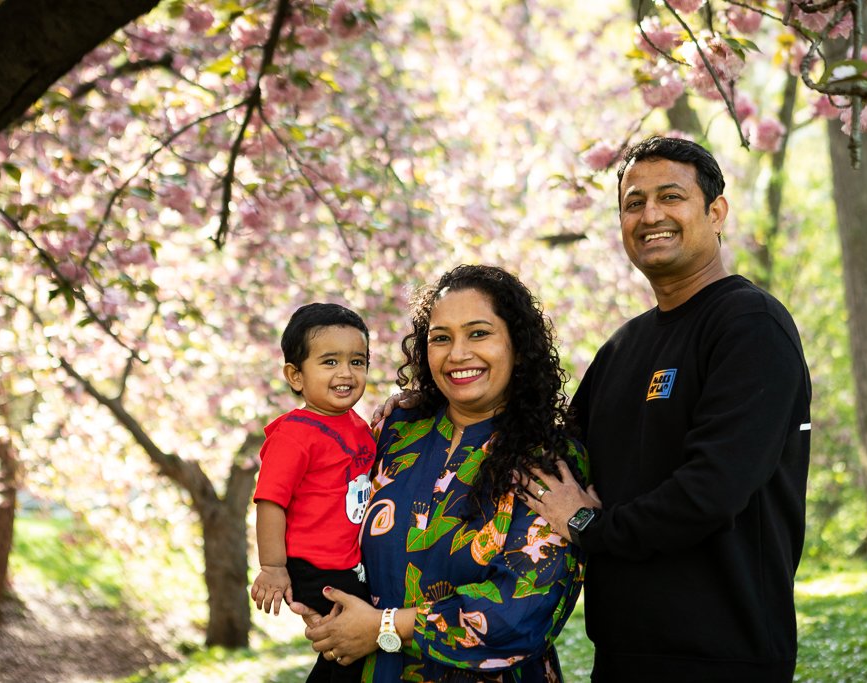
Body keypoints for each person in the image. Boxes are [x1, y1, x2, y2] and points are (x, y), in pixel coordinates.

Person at [517, 136, 812, 682]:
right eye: (634, 203)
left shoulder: (749, 326)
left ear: (715, 212)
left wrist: (589, 525)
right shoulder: (623, 348)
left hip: (722, 655)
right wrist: (428, 408)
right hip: (624, 652)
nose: (650, 215)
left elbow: (711, 490)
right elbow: (552, 455)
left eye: (671, 197)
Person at [293, 264, 589, 682]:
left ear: (518, 346)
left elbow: (521, 615)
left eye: (479, 333)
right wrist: (321, 605)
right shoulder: (394, 432)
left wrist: (383, 627)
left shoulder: (548, 459)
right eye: (441, 338)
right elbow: (327, 519)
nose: (457, 354)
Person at [250, 302, 377, 683]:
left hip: (351, 562)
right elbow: (271, 501)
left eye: (358, 361)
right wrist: (273, 567)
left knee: (357, 644)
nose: (346, 373)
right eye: (330, 362)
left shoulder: (358, 425)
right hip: (318, 568)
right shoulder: (295, 434)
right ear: (295, 375)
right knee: (348, 646)